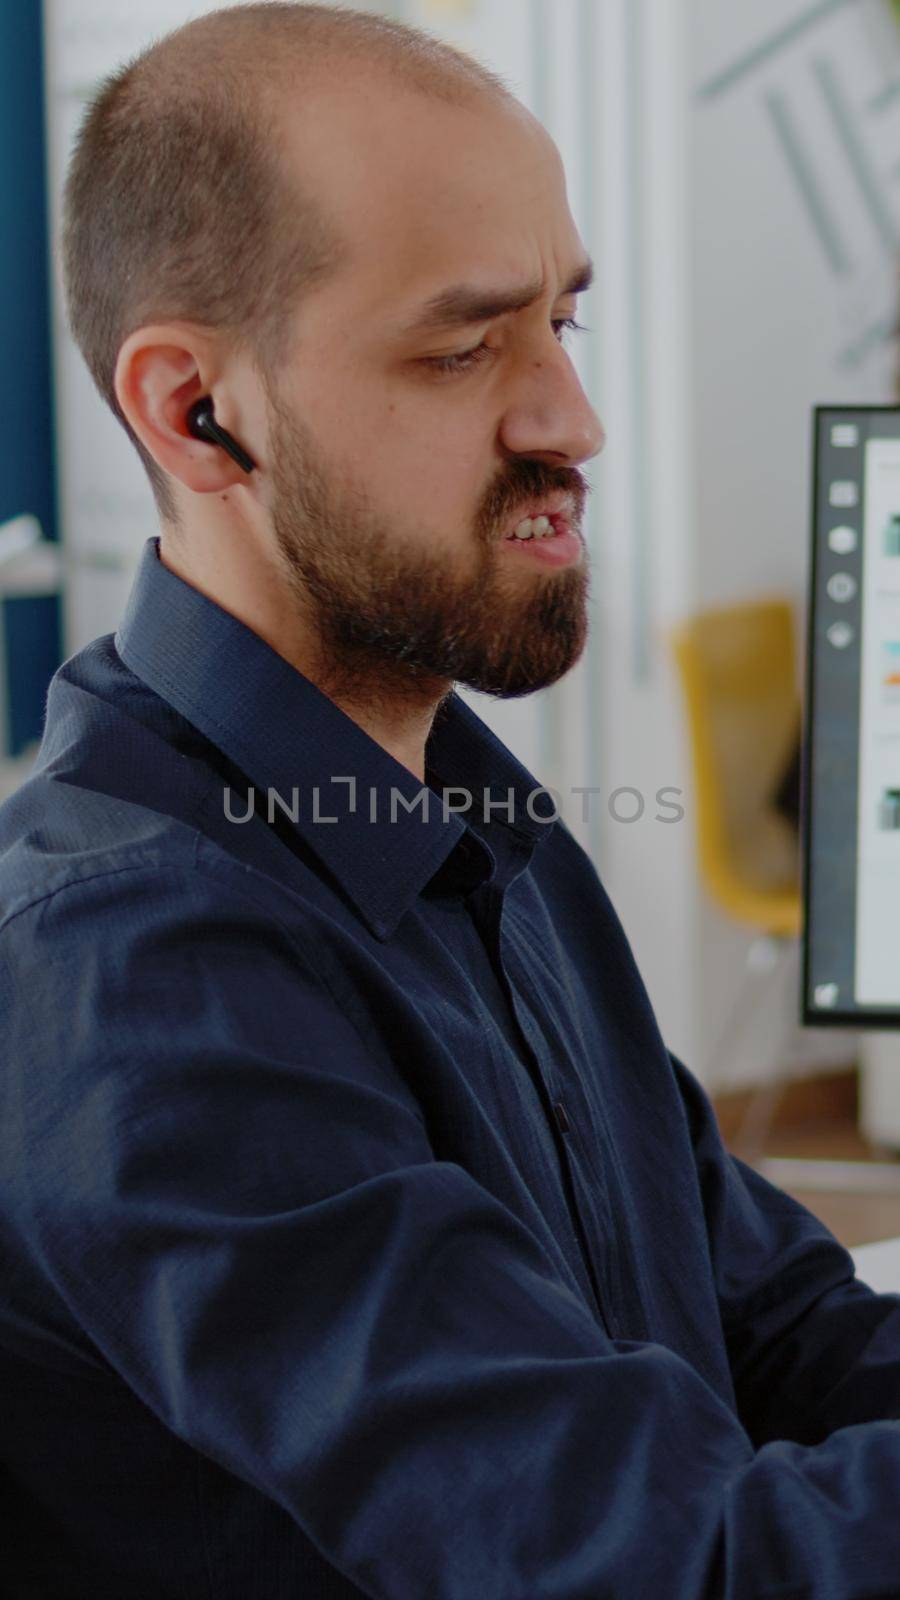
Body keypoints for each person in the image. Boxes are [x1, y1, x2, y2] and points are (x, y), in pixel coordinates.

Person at [1, 5, 899, 1595]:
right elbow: (668, 1570)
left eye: (566, 322)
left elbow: (778, 1323)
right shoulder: (135, 968)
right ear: (195, 413)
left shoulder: (474, 815)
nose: (571, 419)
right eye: (466, 345)